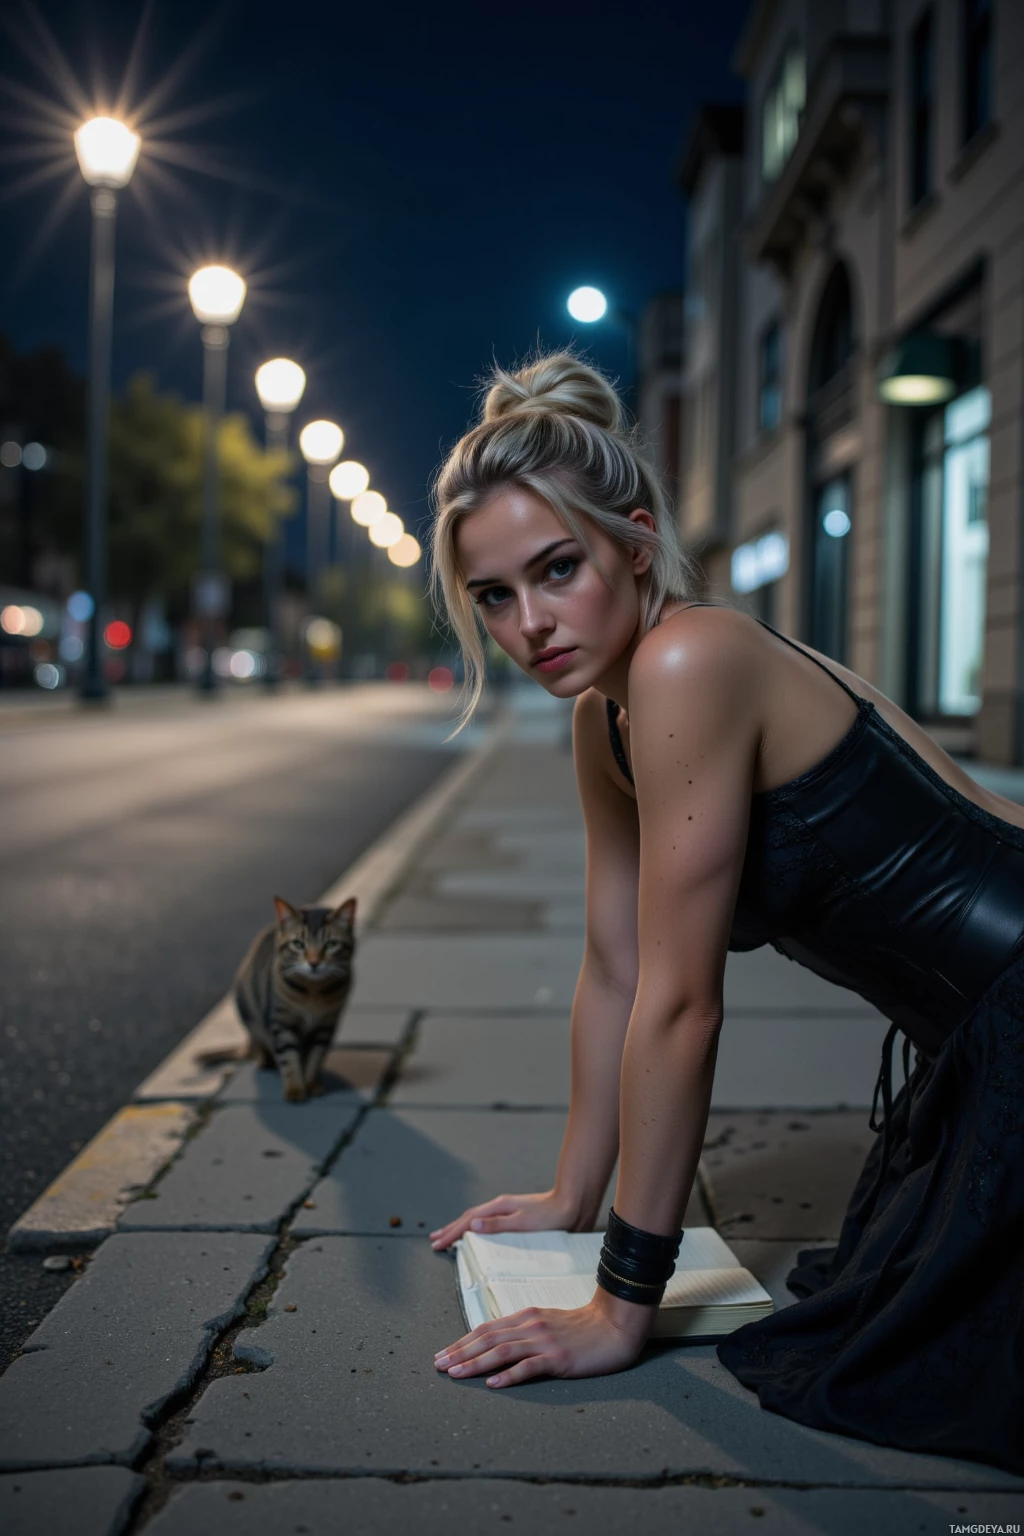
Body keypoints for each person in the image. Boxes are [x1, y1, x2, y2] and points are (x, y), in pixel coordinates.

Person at [424, 351, 1024, 1476]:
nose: (530, 624)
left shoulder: (690, 657)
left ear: (635, 543)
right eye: (494, 596)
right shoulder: (600, 716)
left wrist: (620, 1304)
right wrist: (570, 1193)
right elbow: (612, 970)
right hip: (980, 1043)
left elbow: (683, 1002)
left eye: (558, 570)